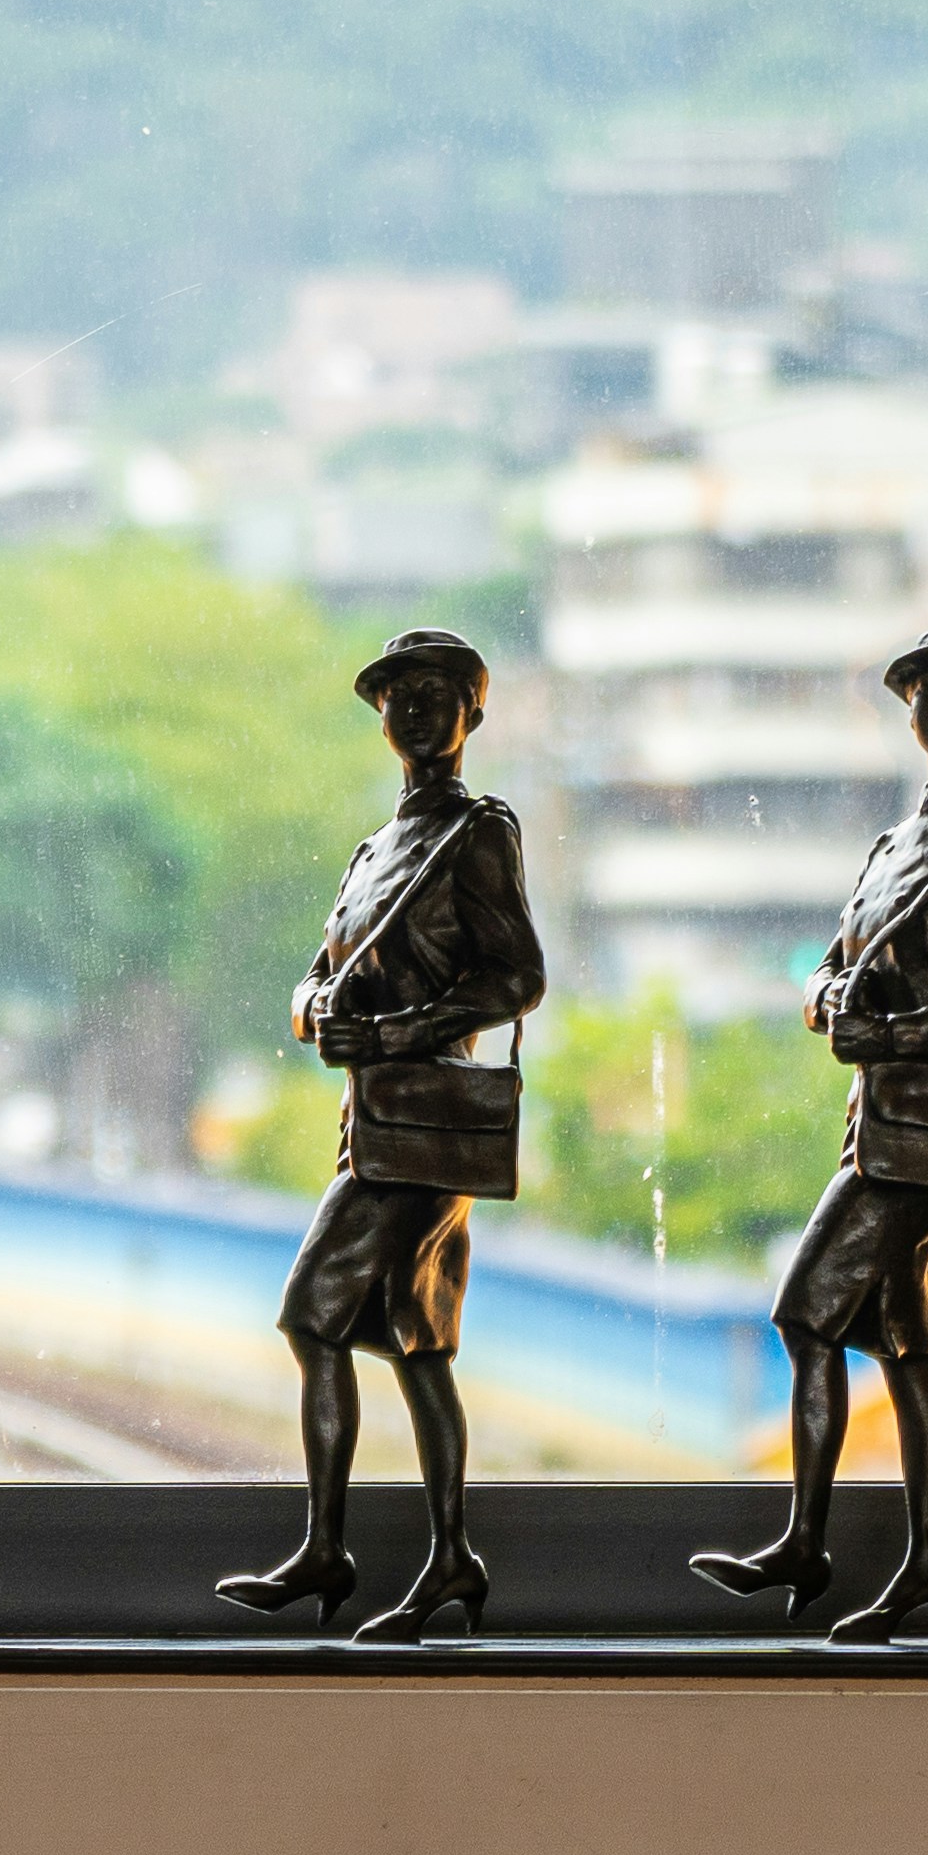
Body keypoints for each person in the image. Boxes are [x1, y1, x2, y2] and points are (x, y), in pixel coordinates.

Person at [693, 623, 928, 1643]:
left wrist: (902, 1027)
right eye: (926, 692)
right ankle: (925, 1563)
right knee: (905, 1350)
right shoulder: (889, 846)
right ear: (906, 714)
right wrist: (826, 999)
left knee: (806, 1312)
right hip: (879, 1119)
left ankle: (808, 1539)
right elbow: (830, 961)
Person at [224, 627, 546, 1643]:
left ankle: (338, 1548)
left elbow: (515, 976)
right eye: (396, 696)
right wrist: (316, 1011)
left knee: (314, 1316)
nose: (412, 710)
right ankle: (444, 1557)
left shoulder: (477, 833)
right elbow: (317, 975)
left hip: (423, 1123)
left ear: (471, 715)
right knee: (413, 1343)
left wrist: (404, 1029)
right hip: (369, 1118)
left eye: (435, 693)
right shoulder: (375, 850)